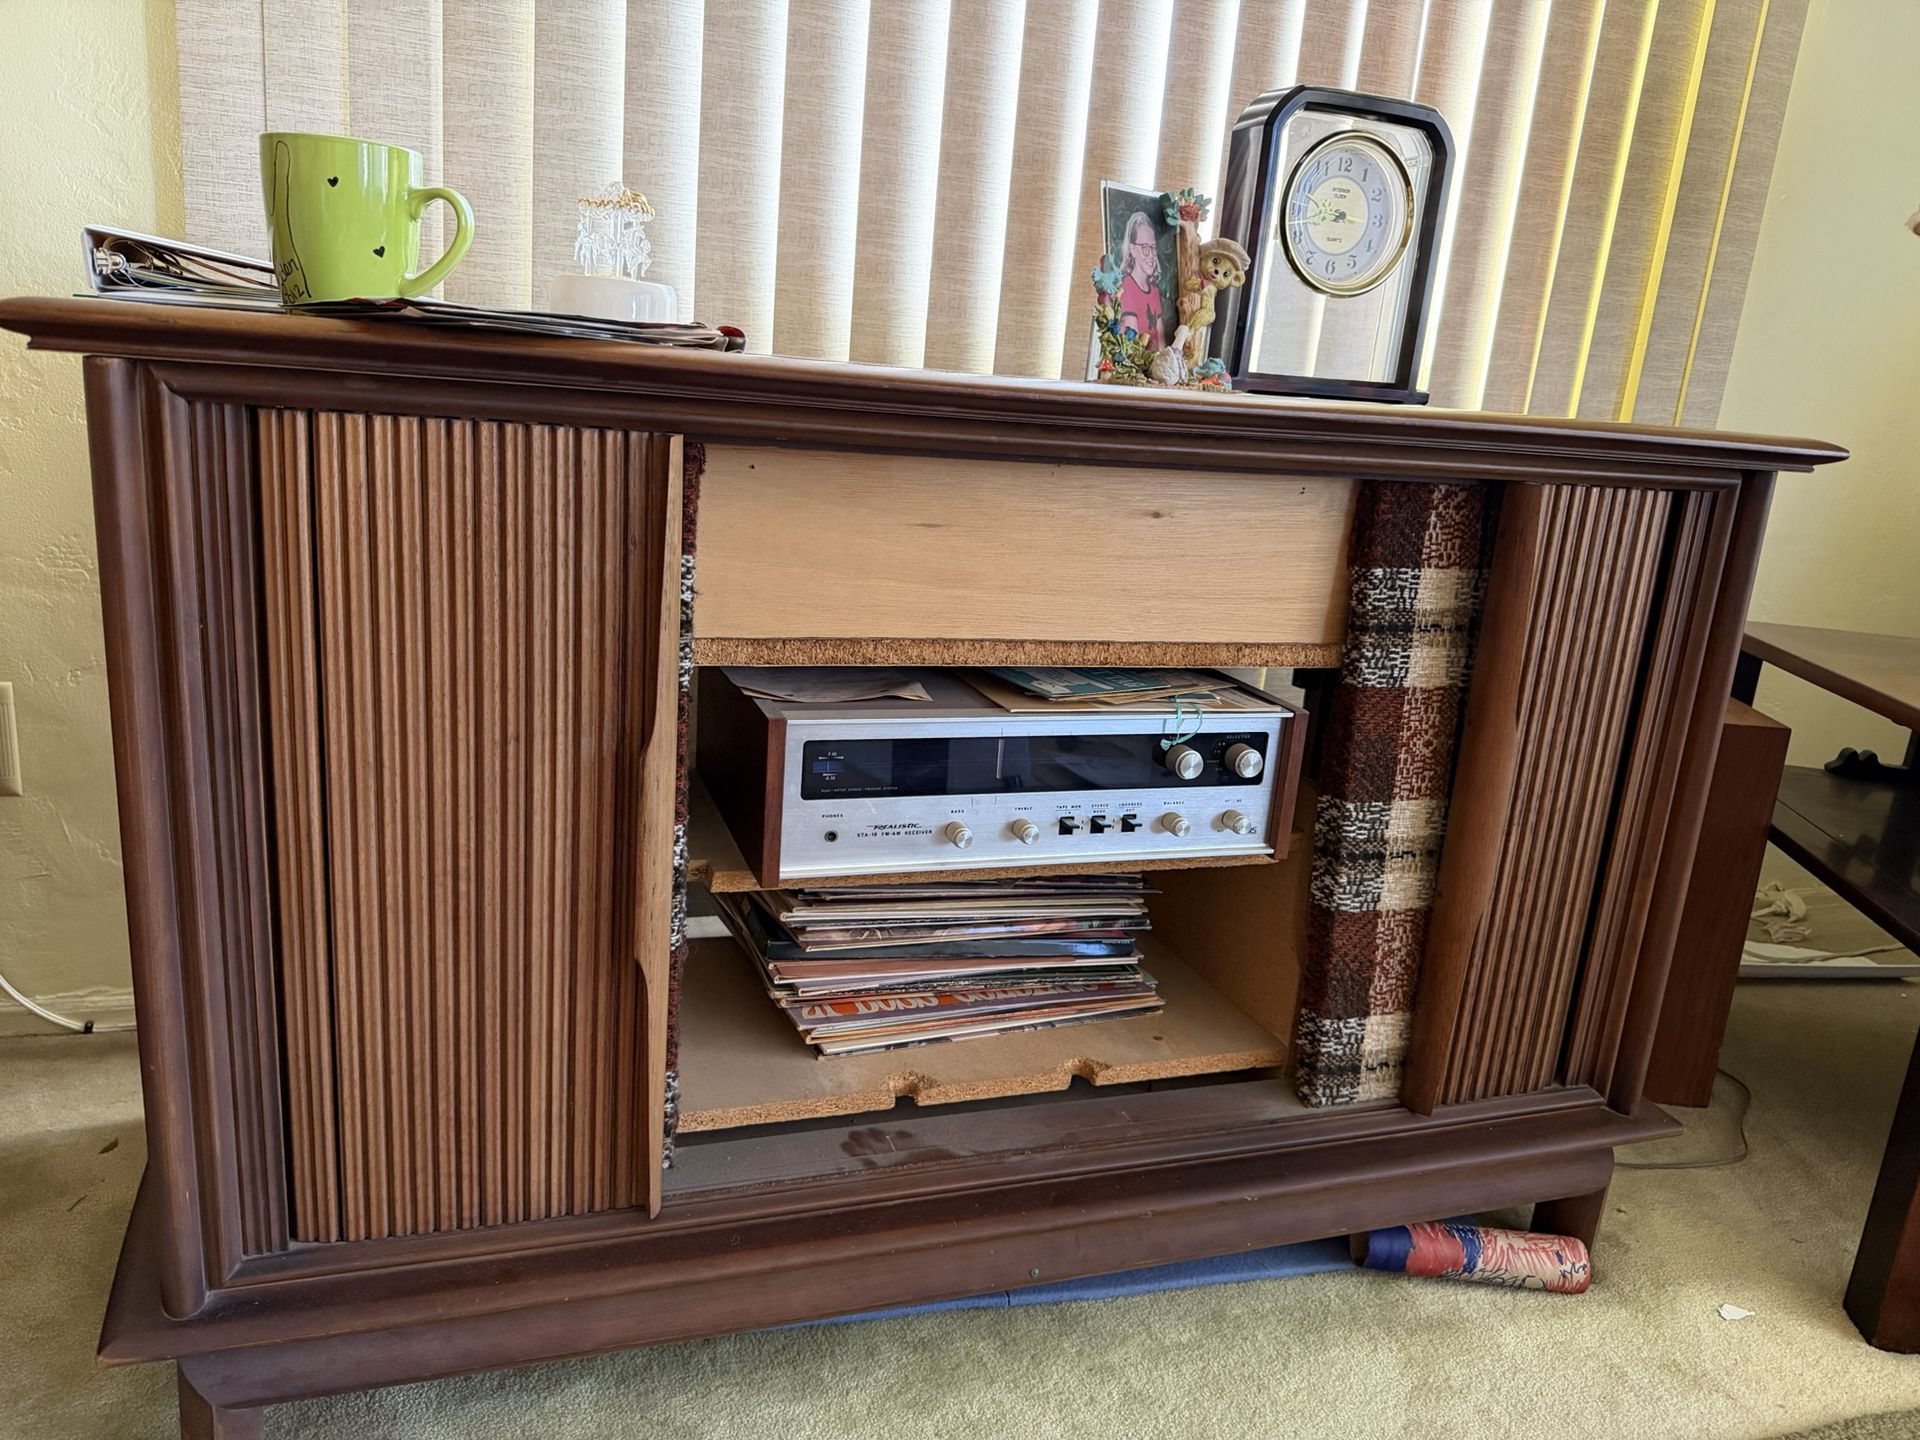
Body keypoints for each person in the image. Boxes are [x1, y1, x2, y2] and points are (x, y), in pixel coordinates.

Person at [1116, 210, 1167, 347]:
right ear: (1132, 249)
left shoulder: (1154, 290)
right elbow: (1135, 345)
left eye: (1153, 247)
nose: (1151, 255)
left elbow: (1161, 339)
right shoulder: (1126, 287)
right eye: (1145, 247)